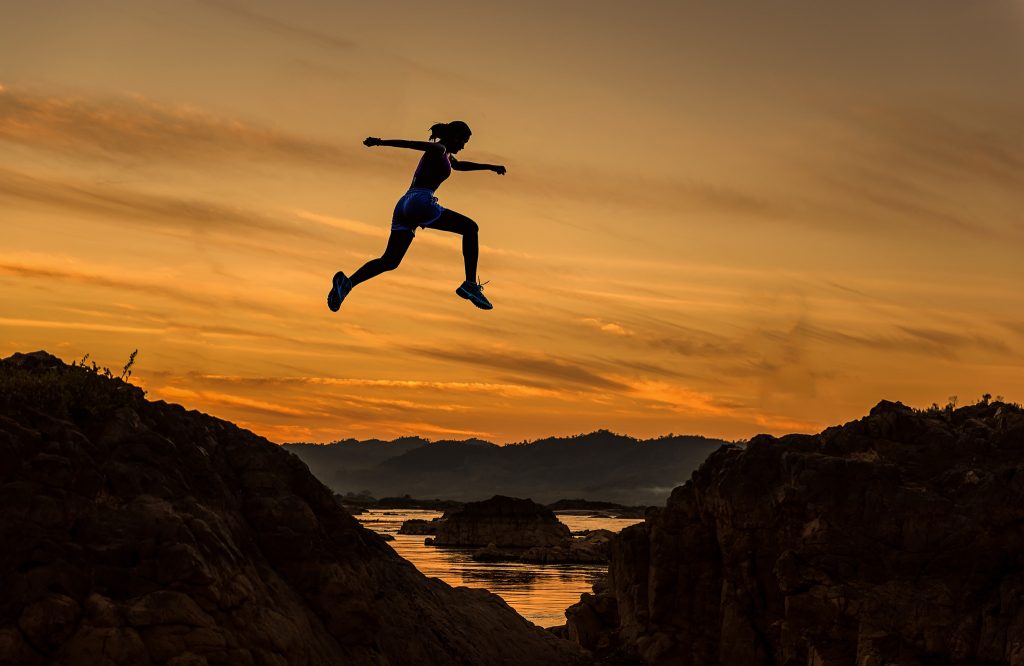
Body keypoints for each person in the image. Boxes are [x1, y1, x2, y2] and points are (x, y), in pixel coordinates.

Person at [327, 120, 506, 313]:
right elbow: (411, 144)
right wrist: (380, 142)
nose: (463, 146)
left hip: (404, 204)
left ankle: (348, 283)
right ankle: (470, 284)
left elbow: (460, 165)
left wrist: (490, 166)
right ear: (454, 137)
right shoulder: (439, 148)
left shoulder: (446, 155)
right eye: (463, 141)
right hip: (421, 201)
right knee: (470, 228)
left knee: (390, 261)